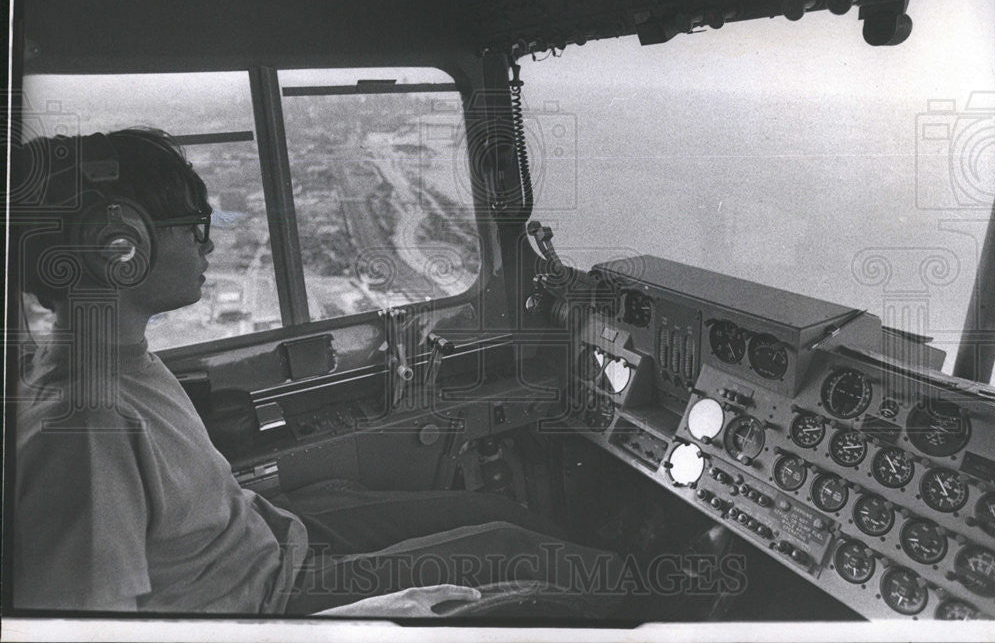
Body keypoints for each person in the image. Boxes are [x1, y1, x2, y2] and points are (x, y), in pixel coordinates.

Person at [11, 129, 623, 615]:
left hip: (271, 544)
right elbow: (83, 623)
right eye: (194, 228)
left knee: (499, 512)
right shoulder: (84, 422)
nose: (208, 247)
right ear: (121, 245)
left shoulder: (116, 357)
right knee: (521, 553)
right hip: (267, 599)